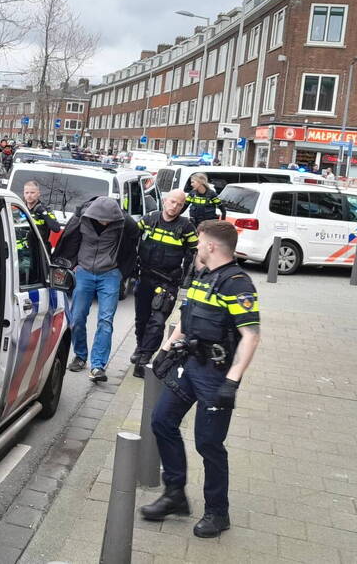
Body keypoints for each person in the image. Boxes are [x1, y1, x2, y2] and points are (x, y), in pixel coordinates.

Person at [140, 220, 261, 539]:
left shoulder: (238, 284)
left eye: (199, 243)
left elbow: (251, 335)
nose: (196, 248)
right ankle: (175, 494)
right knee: (162, 420)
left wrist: (232, 381)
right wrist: (164, 350)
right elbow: (186, 316)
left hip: (216, 375)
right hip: (190, 366)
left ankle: (218, 513)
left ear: (211, 246)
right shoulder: (201, 275)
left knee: (209, 444)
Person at [53, 196, 141, 382]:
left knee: (105, 321)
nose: (105, 222)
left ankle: (98, 366)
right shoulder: (81, 218)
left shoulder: (124, 223)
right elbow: (69, 240)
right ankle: (80, 356)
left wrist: (121, 273)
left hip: (109, 275)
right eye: (102, 219)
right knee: (77, 317)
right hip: (84, 272)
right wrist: (71, 264)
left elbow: (134, 242)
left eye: (109, 220)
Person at [132, 189, 198, 377]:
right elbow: (130, 238)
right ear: (165, 201)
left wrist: (192, 279)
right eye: (172, 202)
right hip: (144, 277)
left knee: (157, 322)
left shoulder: (186, 227)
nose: (174, 207)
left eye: (179, 204)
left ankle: (144, 358)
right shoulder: (149, 220)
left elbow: (197, 253)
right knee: (142, 319)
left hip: (168, 282)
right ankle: (140, 348)